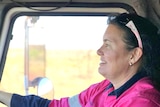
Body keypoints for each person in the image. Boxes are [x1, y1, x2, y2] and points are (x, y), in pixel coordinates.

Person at [1, 13, 160, 107]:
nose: (99, 51)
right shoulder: (104, 88)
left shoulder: (142, 101)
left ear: (133, 55)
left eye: (108, 45)